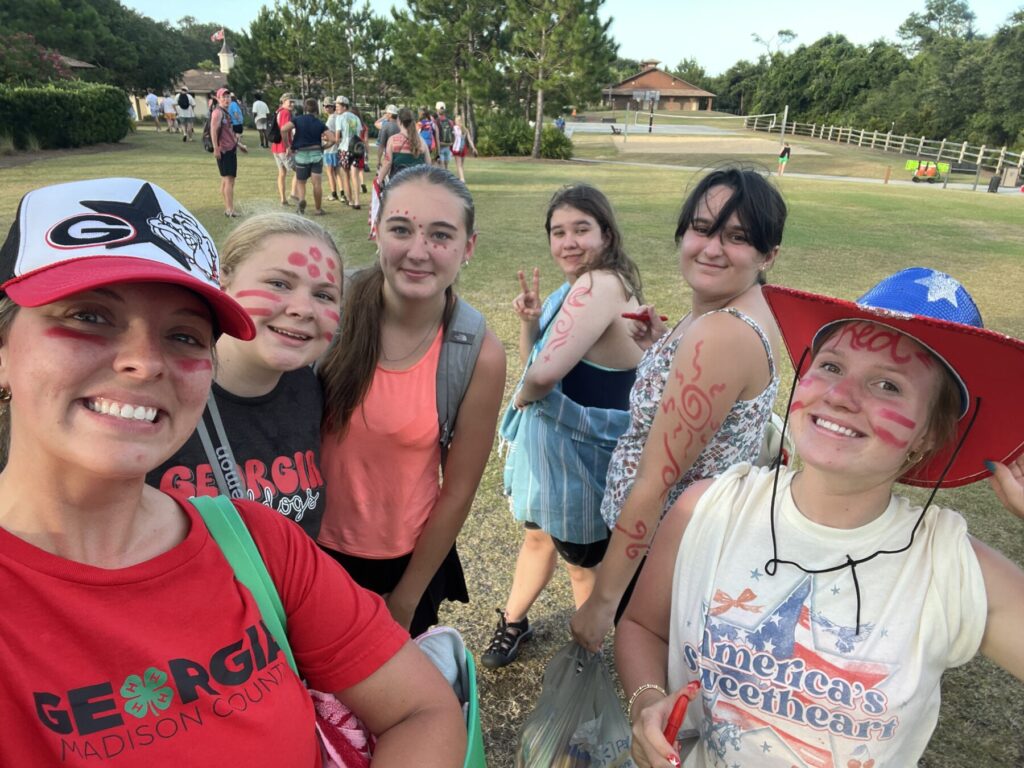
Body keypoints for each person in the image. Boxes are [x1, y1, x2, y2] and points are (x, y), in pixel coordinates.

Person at [0, 177, 467, 766]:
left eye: (182, 334)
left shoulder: (260, 540)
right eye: (90, 316)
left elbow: (420, 710)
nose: (143, 362)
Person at [618, 267, 1024, 767]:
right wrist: (646, 700)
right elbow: (642, 625)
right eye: (831, 366)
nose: (840, 395)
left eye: (888, 385)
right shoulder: (706, 509)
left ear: (928, 436)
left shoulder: (950, 568)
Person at [570, 166, 786, 652]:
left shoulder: (722, 333)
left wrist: (604, 601)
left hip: (665, 555)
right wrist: (660, 352)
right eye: (703, 228)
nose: (711, 248)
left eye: (738, 237)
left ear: (768, 254)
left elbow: (657, 480)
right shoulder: (735, 309)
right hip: (680, 545)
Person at [318, 165, 506, 637]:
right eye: (401, 229)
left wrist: (405, 600)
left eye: (441, 235)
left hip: (402, 566)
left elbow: (458, 490)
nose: (418, 252)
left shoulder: (475, 352)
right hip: (304, 550)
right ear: (376, 230)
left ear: (469, 248)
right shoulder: (326, 312)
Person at [482, 184, 643, 669]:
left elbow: (542, 375)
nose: (568, 242)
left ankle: (588, 649)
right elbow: (542, 355)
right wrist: (531, 321)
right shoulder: (574, 288)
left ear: (606, 233)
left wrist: (520, 399)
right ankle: (514, 621)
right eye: (558, 232)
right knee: (537, 538)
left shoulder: (602, 284)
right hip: (553, 455)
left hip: (582, 460)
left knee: (581, 565)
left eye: (581, 229)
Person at [148, 213, 342, 538]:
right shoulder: (156, 394)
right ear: (221, 283)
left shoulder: (312, 388)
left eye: (323, 295)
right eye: (279, 284)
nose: (304, 309)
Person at [288, 97, 333, 216]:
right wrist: (323, 147)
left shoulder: (297, 120)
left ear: (304, 108)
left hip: (301, 154)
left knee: (301, 182)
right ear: (316, 109)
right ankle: (318, 209)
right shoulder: (319, 123)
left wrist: (288, 145)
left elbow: (283, 128)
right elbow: (333, 139)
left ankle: (302, 200)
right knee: (317, 183)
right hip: (316, 155)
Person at [211, 87, 246, 218]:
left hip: (231, 148)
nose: (226, 99)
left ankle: (228, 208)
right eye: (223, 97)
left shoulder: (226, 112)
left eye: (228, 97)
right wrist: (216, 148)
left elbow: (229, 133)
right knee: (228, 180)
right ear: (218, 99)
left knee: (226, 180)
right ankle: (230, 209)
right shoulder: (217, 113)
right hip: (224, 150)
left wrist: (239, 145)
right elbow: (213, 131)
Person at [377, 108, 431, 184]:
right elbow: (428, 164)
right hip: (418, 185)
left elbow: (387, 163)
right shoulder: (421, 141)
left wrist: (379, 180)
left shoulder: (393, 140)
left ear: (399, 121)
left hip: (398, 185)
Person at [334, 97, 363, 210]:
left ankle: (350, 200)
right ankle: (357, 201)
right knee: (355, 176)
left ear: (344, 106)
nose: (336, 107)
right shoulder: (356, 118)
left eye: (338, 106)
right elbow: (359, 135)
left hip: (344, 149)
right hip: (356, 148)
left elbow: (337, 137)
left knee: (345, 175)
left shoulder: (339, 118)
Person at [271, 92, 297, 206]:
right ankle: (293, 193)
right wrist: (288, 146)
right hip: (283, 147)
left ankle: (283, 199)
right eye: (289, 101)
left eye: (293, 102)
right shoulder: (286, 113)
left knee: (282, 173)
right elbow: (284, 130)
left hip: (276, 147)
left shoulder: (279, 111)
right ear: (283, 102)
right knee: (299, 170)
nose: (292, 104)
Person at [450, 114, 478, 184]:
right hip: (463, 148)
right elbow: (469, 140)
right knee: (461, 165)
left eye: (456, 121)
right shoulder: (465, 129)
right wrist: (473, 148)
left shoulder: (455, 128)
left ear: (457, 121)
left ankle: (462, 179)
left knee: (458, 165)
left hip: (457, 148)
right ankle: (460, 177)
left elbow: (451, 138)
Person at [435, 102, 454, 170]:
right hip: (448, 146)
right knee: (446, 167)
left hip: (440, 146)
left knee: (440, 168)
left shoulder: (436, 121)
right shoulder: (450, 121)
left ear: (437, 110)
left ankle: (442, 180)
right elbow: (453, 133)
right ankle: (446, 180)